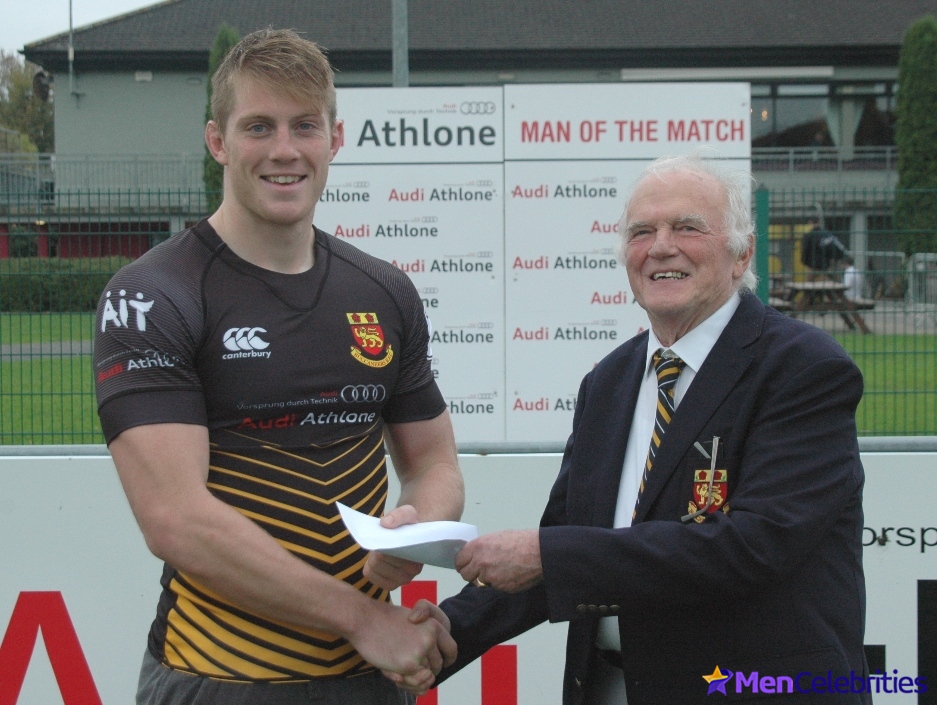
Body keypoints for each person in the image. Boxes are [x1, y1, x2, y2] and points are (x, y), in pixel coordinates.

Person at [409, 154, 868, 704]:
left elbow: (754, 547)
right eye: (641, 232)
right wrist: (445, 635)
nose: (661, 247)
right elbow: (565, 540)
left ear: (742, 253)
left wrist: (548, 555)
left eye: (688, 228)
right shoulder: (608, 382)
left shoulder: (802, 368)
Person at [92, 28, 463, 705]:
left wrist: (415, 530)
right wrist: (361, 620)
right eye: (258, 126)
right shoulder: (153, 294)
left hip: (370, 678)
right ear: (218, 141)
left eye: (304, 126)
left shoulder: (383, 291)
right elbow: (174, 518)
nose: (285, 149)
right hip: (219, 679)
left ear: (334, 139)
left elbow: (434, 463)